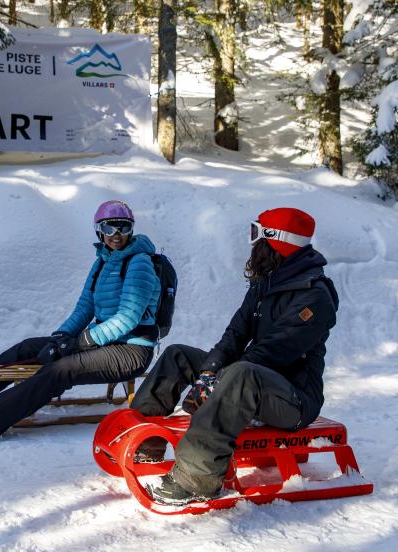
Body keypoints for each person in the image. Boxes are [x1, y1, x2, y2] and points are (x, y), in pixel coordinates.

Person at [131, 207, 339, 506]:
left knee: (242, 373)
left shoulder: (315, 296)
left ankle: (196, 479)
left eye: (257, 234)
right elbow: (235, 335)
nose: (252, 243)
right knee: (180, 356)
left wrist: (219, 381)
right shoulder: (266, 283)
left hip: (294, 400)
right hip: (253, 380)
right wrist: (208, 373)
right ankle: (144, 443)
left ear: (277, 241)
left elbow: (273, 352)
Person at [0, 200, 161, 444]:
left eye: (123, 228)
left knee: (61, 370)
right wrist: (61, 337)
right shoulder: (103, 261)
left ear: (131, 230)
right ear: (99, 230)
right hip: (106, 341)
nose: (116, 235)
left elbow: (127, 318)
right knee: (30, 347)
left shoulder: (140, 263)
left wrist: (83, 341)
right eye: (109, 228)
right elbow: (85, 307)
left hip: (131, 350)